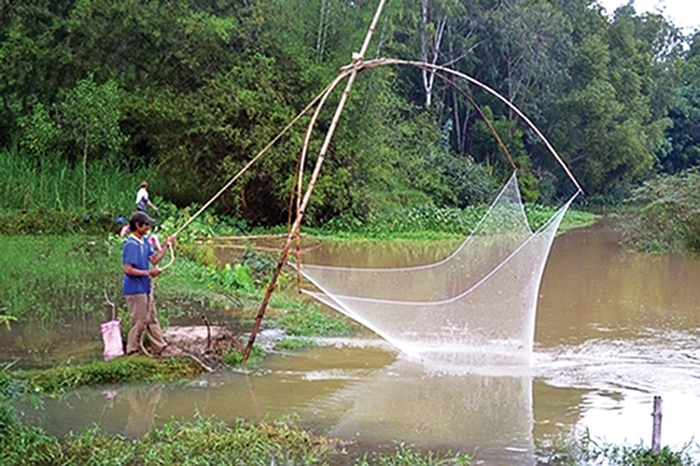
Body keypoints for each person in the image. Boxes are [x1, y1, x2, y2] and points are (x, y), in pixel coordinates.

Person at [122, 211, 175, 356]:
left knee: (151, 317)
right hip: (134, 289)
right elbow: (128, 269)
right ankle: (132, 350)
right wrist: (148, 273)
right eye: (146, 225)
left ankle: (160, 347)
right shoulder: (130, 244)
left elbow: (154, 259)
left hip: (145, 287)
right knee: (140, 320)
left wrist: (166, 245)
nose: (148, 227)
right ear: (138, 225)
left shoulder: (145, 241)